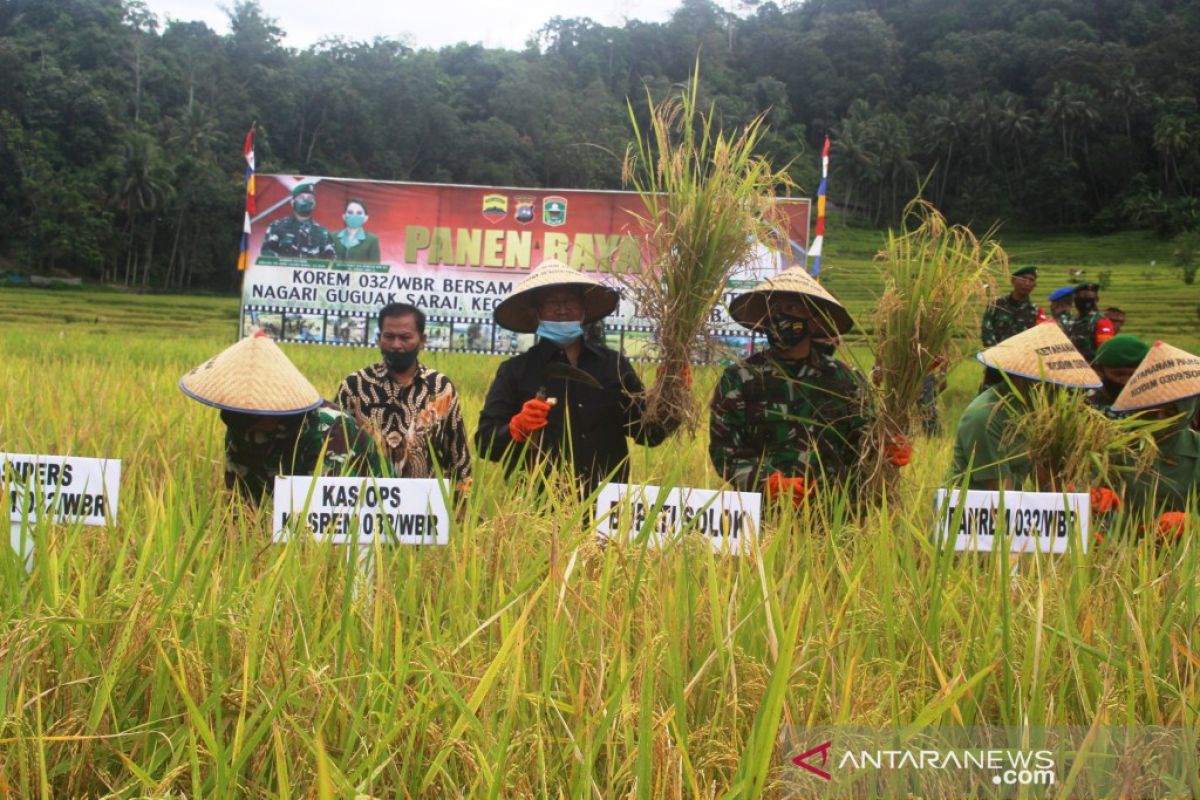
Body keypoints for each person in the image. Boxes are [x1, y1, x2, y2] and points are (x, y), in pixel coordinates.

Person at [475, 260, 680, 495]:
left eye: (570, 300)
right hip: (536, 510)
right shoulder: (515, 371)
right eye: (551, 302)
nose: (562, 309)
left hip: (605, 505)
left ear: (584, 309)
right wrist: (516, 427)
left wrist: (672, 393)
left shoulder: (612, 365)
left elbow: (649, 433)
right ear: (535, 313)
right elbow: (484, 443)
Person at [709, 266, 910, 502]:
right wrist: (766, 483)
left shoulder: (845, 380)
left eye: (791, 308)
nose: (780, 317)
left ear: (813, 322)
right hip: (764, 518)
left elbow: (864, 443)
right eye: (775, 309)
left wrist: (886, 448)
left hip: (836, 517)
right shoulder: (740, 379)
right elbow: (725, 453)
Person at [179, 331, 379, 501]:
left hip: (368, 515)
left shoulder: (328, 430)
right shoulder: (241, 425)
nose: (247, 432)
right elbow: (240, 497)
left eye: (253, 420)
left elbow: (330, 514)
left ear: (274, 409)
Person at [950, 322, 1102, 490]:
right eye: (1051, 385)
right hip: (967, 509)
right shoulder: (985, 417)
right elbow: (1000, 495)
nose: (1060, 394)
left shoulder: (1039, 414)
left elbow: (1044, 479)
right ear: (1021, 379)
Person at [336, 303, 471, 489]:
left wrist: (460, 508)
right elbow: (334, 450)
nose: (396, 345)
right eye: (389, 337)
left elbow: (458, 455)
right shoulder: (355, 386)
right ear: (379, 338)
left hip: (423, 508)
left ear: (422, 340)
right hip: (364, 503)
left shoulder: (440, 388)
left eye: (405, 337)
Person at [1110, 341, 1200, 537]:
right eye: (1152, 412)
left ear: (1188, 410)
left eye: (1170, 412)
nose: (1160, 419)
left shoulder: (1197, 449)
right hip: (1122, 555)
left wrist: (1191, 522)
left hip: (1187, 556)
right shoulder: (1113, 447)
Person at [980, 265, 1045, 387]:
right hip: (996, 364)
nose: (1027, 283)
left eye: (1031, 280)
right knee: (989, 400)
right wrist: (998, 356)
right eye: (1023, 278)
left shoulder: (1035, 311)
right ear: (1013, 280)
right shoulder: (996, 305)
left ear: (1034, 286)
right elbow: (987, 331)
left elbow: (1038, 340)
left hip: (1023, 368)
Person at [261, 182, 337, 260]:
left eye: (310, 198)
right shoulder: (277, 227)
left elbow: (330, 264)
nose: (306, 200)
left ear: (314, 204)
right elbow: (266, 258)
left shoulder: (323, 233)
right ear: (292, 202)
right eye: (301, 197)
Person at [1086, 334, 1149, 417]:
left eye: (1134, 375)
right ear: (1099, 370)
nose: (1126, 381)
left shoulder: (1155, 403)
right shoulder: (1084, 404)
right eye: (1119, 374)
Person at [1067, 282, 1114, 363]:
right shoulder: (1072, 320)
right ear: (1074, 300)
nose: (1085, 300)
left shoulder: (1101, 321)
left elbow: (1104, 351)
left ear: (1096, 300)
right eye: (1081, 297)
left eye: (1089, 297)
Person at [332, 197, 382, 263]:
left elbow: (375, 267)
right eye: (350, 212)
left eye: (359, 213)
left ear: (365, 218)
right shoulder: (333, 236)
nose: (354, 215)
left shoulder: (372, 239)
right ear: (344, 216)